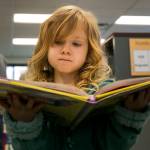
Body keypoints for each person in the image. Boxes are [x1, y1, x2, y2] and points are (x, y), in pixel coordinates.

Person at [1, 5, 150, 150]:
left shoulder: (105, 92)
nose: (66, 50)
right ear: (45, 47)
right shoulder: (30, 94)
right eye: (58, 42)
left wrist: (130, 114)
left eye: (76, 44)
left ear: (89, 50)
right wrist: (25, 122)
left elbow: (115, 146)